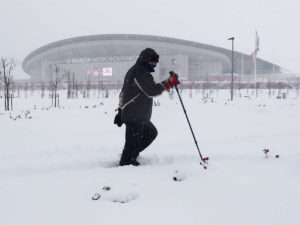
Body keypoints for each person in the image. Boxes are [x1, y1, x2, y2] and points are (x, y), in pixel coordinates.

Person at [115, 48, 180, 166]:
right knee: (132, 143)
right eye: (152, 62)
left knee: (150, 133)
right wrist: (170, 82)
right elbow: (151, 90)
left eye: (155, 63)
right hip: (134, 115)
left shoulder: (135, 71)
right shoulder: (140, 72)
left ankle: (131, 156)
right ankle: (126, 165)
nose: (154, 65)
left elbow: (124, 92)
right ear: (145, 60)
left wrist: (120, 111)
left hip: (137, 115)